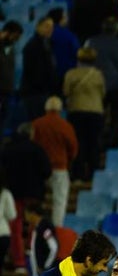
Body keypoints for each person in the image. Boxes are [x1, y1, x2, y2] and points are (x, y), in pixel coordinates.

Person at [1, 124, 51, 270]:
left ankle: (19, 262)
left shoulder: (8, 150)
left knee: (15, 227)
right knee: (34, 227)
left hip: (14, 194)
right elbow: (47, 171)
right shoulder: (37, 149)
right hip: (34, 195)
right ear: (31, 134)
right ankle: (33, 259)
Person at [85, 17, 118, 148]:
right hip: (116, 85)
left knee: (97, 113)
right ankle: (113, 140)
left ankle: (96, 139)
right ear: (116, 29)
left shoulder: (90, 42)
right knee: (116, 115)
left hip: (95, 84)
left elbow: (83, 62)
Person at [31, 97, 78, 228]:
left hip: (39, 169)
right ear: (60, 109)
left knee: (37, 200)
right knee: (59, 201)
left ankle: (37, 227)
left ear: (46, 109)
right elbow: (73, 147)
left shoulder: (37, 124)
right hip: (60, 167)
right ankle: (57, 229)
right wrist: (68, 159)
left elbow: (32, 144)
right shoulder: (65, 125)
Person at [62, 47, 106, 182]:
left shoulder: (71, 74)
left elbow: (65, 92)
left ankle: (77, 174)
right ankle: (93, 173)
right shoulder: (98, 75)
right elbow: (103, 92)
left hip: (77, 111)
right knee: (94, 143)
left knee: (78, 143)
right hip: (95, 112)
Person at [21, 17, 57, 122]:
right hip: (35, 93)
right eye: (46, 26)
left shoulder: (47, 44)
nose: (50, 29)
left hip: (43, 92)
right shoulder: (33, 46)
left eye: (52, 27)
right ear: (38, 27)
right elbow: (34, 72)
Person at [24, 200, 60, 276]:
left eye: (26, 214)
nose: (25, 217)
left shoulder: (45, 227)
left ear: (33, 214)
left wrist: (45, 267)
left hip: (44, 275)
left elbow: (53, 248)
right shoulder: (38, 227)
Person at [47, 9, 79, 94]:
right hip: (67, 72)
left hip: (48, 74)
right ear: (61, 19)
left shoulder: (46, 34)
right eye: (65, 17)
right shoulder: (69, 35)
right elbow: (76, 53)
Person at [0, 21, 24, 133]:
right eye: (15, 36)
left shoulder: (10, 47)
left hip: (6, 91)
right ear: (7, 33)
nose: (16, 40)